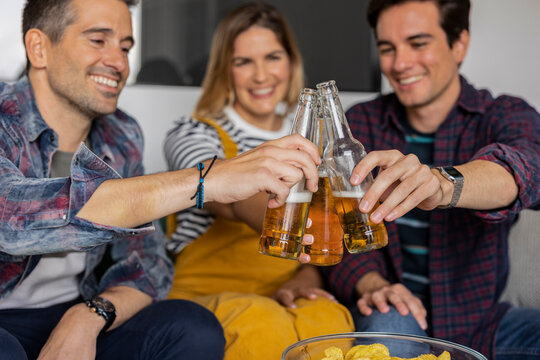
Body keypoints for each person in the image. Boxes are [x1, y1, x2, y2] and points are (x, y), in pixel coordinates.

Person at [0, 0, 321, 359]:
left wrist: (88, 316)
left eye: (125, 47)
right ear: (38, 47)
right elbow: (11, 216)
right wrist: (207, 181)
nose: (119, 62)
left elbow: (146, 264)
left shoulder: (121, 133)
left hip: (74, 310)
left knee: (193, 328)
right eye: (98, 41)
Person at [320, 0, 540, 359]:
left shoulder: (503, 113)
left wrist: (442, 185)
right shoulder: (360, 125)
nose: (400, 64)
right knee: (387, 331)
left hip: (482, 326)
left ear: (459, 44)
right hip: (394, 312)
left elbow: (527, 168)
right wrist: (373, 285)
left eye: (418, 43)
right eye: (387, 49)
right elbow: (340, 227)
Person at [163, 3, 353, 359]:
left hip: (284, 290)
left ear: (291, 62)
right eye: (243, 62)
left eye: (273, 57)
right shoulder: (195, 133)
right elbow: (222, 195)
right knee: (260, 323)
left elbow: (316, 253)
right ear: (224, 71)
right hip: (206, 294)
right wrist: (293, 218)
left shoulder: (318, 144)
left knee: (327, 322)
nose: (261, 75)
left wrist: (305, 280)